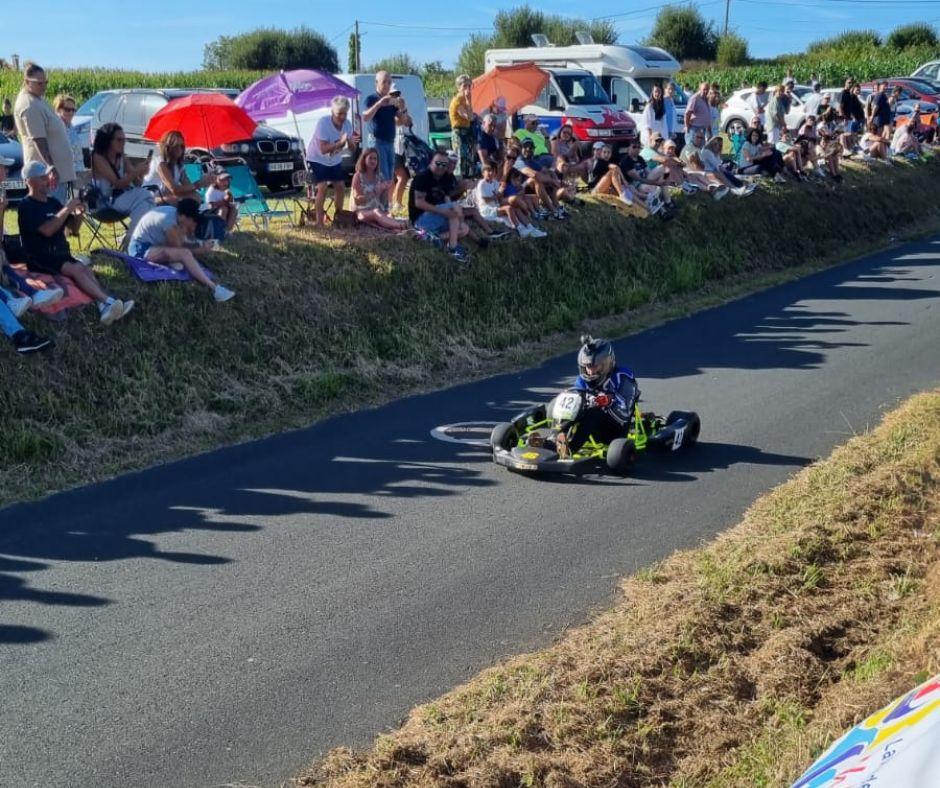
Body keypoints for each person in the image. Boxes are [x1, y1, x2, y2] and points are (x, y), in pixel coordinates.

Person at [18, 161, 133, 324]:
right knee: (77, 269)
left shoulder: (52, 202)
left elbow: (73, 230)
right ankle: (108, 302)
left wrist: (78, 213)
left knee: (85, 269)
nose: (47, 180)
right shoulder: (26, 206)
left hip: (60, 253)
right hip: (40, 256)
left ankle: (104, 304)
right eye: (43, 177)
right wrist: (67, 208)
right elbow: (46, 230)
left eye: (47, 176)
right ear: (30, 181)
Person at [127, 199, 234, 302]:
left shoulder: (175, 216)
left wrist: (198, 244)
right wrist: (200, 249)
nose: (192, 225)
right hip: (140, 250)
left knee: (182, 259)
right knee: (185, 254)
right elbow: (179, 248)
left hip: (153, 246)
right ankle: (214, 288)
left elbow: (181, 243)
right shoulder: (169, 223)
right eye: (191, 221)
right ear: (184, 216)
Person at [553, 336, 639, 457]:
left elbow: (625, 412)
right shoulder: (583, 380)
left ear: (607, 363)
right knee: (560, 403)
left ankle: (569, 450)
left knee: (594, 413)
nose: (590, 371)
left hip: (614, 431)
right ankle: (553, 441)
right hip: (590, 429)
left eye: (594, 366)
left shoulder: (623, 376)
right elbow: (578, 398)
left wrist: (610, 400)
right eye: (588, 366)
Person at [14, 63, 75, 202]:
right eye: (39, 83)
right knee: (52, 218)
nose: (44, 86)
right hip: (47, 176)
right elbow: (38, 139)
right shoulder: (29, 104)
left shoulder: (37, 99)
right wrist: (51, 167)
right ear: (27, 81)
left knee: (61, 215)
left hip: (54, 174)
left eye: (45, 82)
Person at [90, 123, 156, 234]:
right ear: (108, 141)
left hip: (120, 199)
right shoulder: (98, 157)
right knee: (147, 196)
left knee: (145, 203)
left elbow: (137, 183)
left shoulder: (121, 157)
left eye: (124, 140)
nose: (123, 143)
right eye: (119, 140)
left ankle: (132, 237)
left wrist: (142, 173)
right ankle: (133, 237)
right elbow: (118, 184)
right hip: (103, 202)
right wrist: (136, 171)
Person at [408, 150, 471, 262]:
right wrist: (444, 211)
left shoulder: (443, 179)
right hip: (419, 219)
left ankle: (432, 238)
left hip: (434, 217)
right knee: (454, 207)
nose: (441, 167)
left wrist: (457, 215)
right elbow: (419, 203)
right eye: (438, 163)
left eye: (444, 165)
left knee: (464, 229)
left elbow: (447, 201)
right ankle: (453, 248)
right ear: (431, 162)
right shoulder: (423, 177)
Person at [307, 95, 360, 227]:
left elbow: (353, 149)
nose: (342, 117)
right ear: (332, 112)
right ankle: (319, 222)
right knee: (323, 187)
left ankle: (338, 217)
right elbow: (323, 149)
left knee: (341, 186)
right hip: (317, 158)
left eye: (345, 114)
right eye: (339, 114)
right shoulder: (323, 123)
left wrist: (350, 142)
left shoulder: (347, 124)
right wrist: (340, 143)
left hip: (334, 160)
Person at [142, 130, 210, 205]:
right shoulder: (160, 163)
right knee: (179, 200)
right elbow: (174, 189)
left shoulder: (179, 165)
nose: (179, 149)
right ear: (167, 147)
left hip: (166, 196)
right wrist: (198, 184)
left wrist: (205, 181)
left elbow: (188, 187)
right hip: (151, 198)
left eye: (181, 146)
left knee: (195, 197)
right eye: (176, 146)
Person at [351, 147, 407, 231]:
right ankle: (402, 226)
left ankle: (398, 228)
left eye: (375, 159)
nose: (373, 161)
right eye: (370, 158)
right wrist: (374, 192)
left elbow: (383, 203)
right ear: (364, 159)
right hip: (361, 212)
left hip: (378, 210)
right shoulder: (358, 176)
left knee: (388, 215)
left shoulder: (379, 176)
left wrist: (385, 190)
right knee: (376, 212)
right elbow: (357, 201)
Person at [363, 71, 402, 181]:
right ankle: (381, 198)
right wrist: (379, 104)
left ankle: (386, 198)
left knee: (389, 176)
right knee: (381, 175)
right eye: (384, 82)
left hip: (390, 142)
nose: (387, 85)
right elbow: (365, 117)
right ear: (376, 83)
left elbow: (401, 121)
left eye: (389, 82)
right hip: (377, 142)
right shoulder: (371, 99)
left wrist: (403, 109)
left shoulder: (391, 101)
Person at [515, 137, 567, 219]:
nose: (528, 149)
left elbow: (547, 171)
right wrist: (552, 180)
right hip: (518, 190)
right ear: (521, 148)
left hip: (528, 190)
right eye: (526, 146)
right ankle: (552, 210)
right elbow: (534, 174)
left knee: (548, 178)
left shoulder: (531, 161)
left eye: (531, 147)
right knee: (536, 180)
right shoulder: (518, 161)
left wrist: (555, 179)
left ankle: (557, 207)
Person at [53, 94, 88, 190]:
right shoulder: (56, 127)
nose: (71, 113)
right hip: (63, 174)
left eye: (73, 110)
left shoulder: (70, 125)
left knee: (79, 202)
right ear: (58, 109)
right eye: (67, 109)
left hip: (77, 171)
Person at [449, 74, 476, 179]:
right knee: (461, 160)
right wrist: (469, 101)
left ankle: (467, 181)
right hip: (459, 133)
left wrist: (469, 102)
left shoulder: (465, 101)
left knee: (469, 162)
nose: (467, 89)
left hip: (467, 133)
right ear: (458, 87)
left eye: (469, 86)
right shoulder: (457, 101)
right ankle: (459, 183)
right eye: (465, 86)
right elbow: (469, 117)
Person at [391, 104, 414, 214]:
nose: (397, 97)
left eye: (398, 94)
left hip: (404, 150)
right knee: (401, 177)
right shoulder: (391, 113)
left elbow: (409, 122)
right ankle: (396, 203)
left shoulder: (404, 112)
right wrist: (399, 111)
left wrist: (403, 108)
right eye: (394, 95)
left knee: (404, 177)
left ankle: (396, 202)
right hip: (394, 149)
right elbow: (399, 121)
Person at [202, 167, 239, 232]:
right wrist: (225, 201)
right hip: (212, 214)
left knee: (234, 209)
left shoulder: (226, 190)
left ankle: (227, 231)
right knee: (223, 209)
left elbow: (229, 201)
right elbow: (211, 206)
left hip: (225, 212)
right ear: (215, 180)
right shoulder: (211, 191)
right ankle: (220, 231)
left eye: (227, 180)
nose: (225, 182)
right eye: (222, 180)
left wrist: (230, 199)